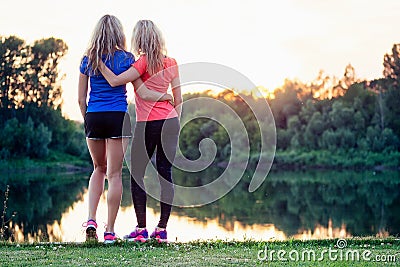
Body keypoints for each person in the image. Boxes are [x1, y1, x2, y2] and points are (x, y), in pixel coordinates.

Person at [78, 15, 172, 244]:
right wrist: (165, 96)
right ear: (119, 33)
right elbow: (140, 90)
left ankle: (91, 219)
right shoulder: (127, 59)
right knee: (115, 174)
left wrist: (88, 120)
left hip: (94, 116)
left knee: (98, 169)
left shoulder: (87, 59)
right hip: (118, 117)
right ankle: (109, 230)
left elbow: (81, 98)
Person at [99, 19, 182, 243]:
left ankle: (142, 229)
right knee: (166, 174)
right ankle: (162, 230)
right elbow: (179, 100)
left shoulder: (141, 64)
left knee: (137, 174)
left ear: (139, 40)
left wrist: (99, 63)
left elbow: (116, 81)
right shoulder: (172, 62)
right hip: (171, 122)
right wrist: (176, 124)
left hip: (148, 124)